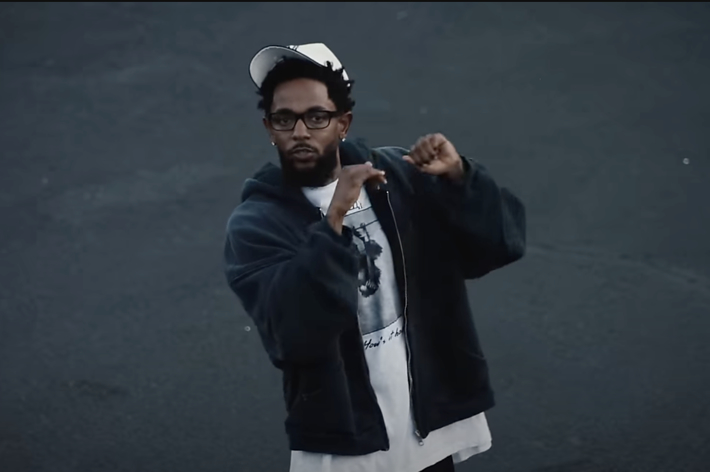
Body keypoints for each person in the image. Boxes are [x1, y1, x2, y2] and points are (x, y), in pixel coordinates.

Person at [224, 43, 526, 472]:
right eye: (284, 118)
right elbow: (292, 335)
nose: (300, 131)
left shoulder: (400, 178)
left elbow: (498, 248)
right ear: (269, 128)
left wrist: (461, 179)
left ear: (342, 123)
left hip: (427, 421)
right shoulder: (257, 224)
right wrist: (333, 222)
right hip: (347, 438)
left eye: (317, 116)